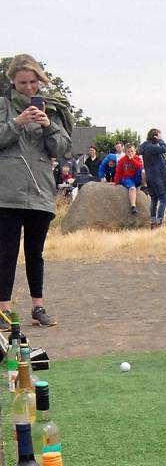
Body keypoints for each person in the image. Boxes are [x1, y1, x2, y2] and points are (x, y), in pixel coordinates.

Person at [0, 53, 72, 327]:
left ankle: (38, 307)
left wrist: (47, 125)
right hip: (6, 194)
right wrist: (17, 122)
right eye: (22, 83)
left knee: (35, 252)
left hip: (40, 192)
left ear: (40, 81)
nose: (29, 88)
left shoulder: (52, 110)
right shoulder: (3, 107)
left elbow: (62, 149)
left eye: (33, 82)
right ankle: (4, 310)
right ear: (12, 82)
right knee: (6, 252)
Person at [139, 128, 166, 228]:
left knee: (154, 200)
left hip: (150, 177)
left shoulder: (145, 146)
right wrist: (160, 140)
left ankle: (153, 222)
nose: (160, 137)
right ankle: (159, 222)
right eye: (159, 135)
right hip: (157, 177)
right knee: (163, 200)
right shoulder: (151, 147)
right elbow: (164, 149)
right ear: (155, 136)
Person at [113, 142, 144, 213]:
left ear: (135, 151)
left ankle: (144, 186)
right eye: (128, 152)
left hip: (136, 177)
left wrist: (132, 159)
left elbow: (139, 166)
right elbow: (118, 172)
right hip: (127, 178)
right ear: (125, 152)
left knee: (143, 171)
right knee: (132, 188)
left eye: (132, 151)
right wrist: (116, 182)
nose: (130, 153)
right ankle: (133, 206)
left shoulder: (137, 158)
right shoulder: (122, 160)